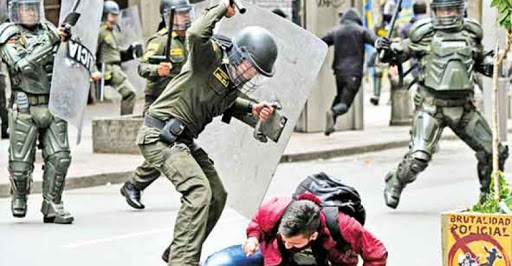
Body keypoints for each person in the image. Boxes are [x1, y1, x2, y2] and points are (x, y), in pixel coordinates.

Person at [123, 0, 279, 264]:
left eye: (256, 72)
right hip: (158, 135)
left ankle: (177, 251)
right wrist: (221, 8)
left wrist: (253, 108)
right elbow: (196, 33)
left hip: (181, 139)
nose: (251, 75)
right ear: (239, 55)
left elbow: (227, 102)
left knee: (217, 195)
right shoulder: (209, 59)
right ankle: (183, 261)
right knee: (198, 191)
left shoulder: (230, 84)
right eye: (250, 66)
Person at [375, 0, 509, 209]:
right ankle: (396, 181)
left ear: (460, 10)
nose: (447, 14)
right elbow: (400, 52)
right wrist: (387, 50)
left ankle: (488, 195)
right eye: (443, 9)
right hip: (431, 106)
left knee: (493, 153)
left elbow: (482, 63)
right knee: (418, 158)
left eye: (452, 9)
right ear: (434, 11)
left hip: (464, 107)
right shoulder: (423, 34)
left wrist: (499, 65)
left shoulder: (471, 34)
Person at [0, 0, 74, 223]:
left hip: (53, 102)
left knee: (60, 157)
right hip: (25, 105)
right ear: (17, 10)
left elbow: (68, 60)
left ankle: (53, 203)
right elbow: (21, 65)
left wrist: (68, 43)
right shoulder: (8, 33)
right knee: (21, 165)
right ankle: (20, 194)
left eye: (34, 7)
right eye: (26, 8)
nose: (31, 12)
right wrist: (51, 42)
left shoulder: (50, 29)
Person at [119, 0, 193, 205]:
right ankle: (136, 185)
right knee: (165, 147)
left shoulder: (190, 40)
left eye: (187, 13)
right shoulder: (160, 41)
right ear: (167, 16)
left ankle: (135, 185)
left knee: (178, 145)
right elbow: (142, 67)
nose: (185, 18)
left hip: (181, 103)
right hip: (159, 103)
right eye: (180, 14)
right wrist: (157, 71)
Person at [204, 193, 388, 265]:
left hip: (323, 261)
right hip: (276, 257)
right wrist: (253, 238)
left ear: (313, 235)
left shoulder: (344, 225)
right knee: (218, 263)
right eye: (285, 239)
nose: (289, 244)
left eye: (294, 242)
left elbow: (377, 254)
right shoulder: (275, 209)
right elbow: (258, 223)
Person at [321, 9, 377, 136]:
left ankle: (331, 123)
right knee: (345, 104)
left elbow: (322, 41)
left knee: (339, 96)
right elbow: (376, 41)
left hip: (339, 72)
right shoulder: (361, 31)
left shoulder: (336, 31)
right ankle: (333, 113)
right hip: (354, 72)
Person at [91, 1, 138, 116]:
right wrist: (94, 71)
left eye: (116, 15)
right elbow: (92, 52)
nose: (115, 18)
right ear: (105, 15)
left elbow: (115, 53)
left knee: (130, 93)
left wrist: (130, 52)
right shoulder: (100, 32)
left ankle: (125, 119)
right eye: (112, 15)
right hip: (108, 69)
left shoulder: (113, 32)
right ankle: (125, 121)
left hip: (116, 67)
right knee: (129, 92)